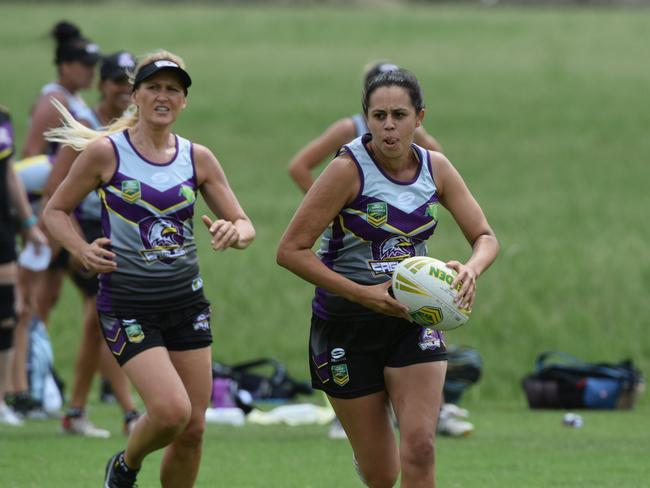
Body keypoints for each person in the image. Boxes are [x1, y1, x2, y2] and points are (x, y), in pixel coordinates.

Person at [277, 69, 499, 487]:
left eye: (399, 114)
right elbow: (290, 251)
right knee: (383, 474)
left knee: (420, 446)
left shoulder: (437, 168)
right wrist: (363, 294)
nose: (389, 126)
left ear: (419, 118)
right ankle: (371, 461)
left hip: (412, 320)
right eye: (379, 116)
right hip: (345, 325)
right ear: (367, 118)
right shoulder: (346, 170)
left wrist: (472, 267)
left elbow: (485, 236)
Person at [43, 50, 255, 488]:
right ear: (135, 95)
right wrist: (81, 251)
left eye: (173, 90)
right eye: (154, 87)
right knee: (172, 412)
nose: (163, 96)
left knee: (193, 429)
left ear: (184, 101)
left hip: (186, 305)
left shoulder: (198, 158)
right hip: (128, 306)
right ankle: (125, 466)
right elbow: (55, 211)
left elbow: (244, 222)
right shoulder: (106, 154)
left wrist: (235, 233)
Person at [41, 51, 141, 437]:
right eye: (117, 81)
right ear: (103, 84)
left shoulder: (135, 128)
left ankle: (76, 410)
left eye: (130, 83)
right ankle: (130, 412)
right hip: (84, 234)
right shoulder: (86, 127)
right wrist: (75, 248)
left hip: (116, 234)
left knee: (94, 325)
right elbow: (55, 189)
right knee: (103, 319)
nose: (124, 90)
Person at [9, 20, 100, 418]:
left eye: (93, 65)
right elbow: (28, 161)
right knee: (33, 303)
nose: (90, 72)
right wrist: (37, 218)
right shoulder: (52, 100)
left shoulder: (75, 100)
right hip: (51, 214)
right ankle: (28, 384)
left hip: (70, 212)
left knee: (50, 300)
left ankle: (40, 383)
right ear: (65, 65)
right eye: (83, 64)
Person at [288, 61, 442, 194]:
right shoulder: (349, 128)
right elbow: (299, 167)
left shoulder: (412, 131)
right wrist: (326, 208)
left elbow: (439, 163)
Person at [0, 105, 48, 426]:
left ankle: (1, 399)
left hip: (2, 228)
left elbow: (9, 173)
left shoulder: (3, 117)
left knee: (7, 314)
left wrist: (29, 224)